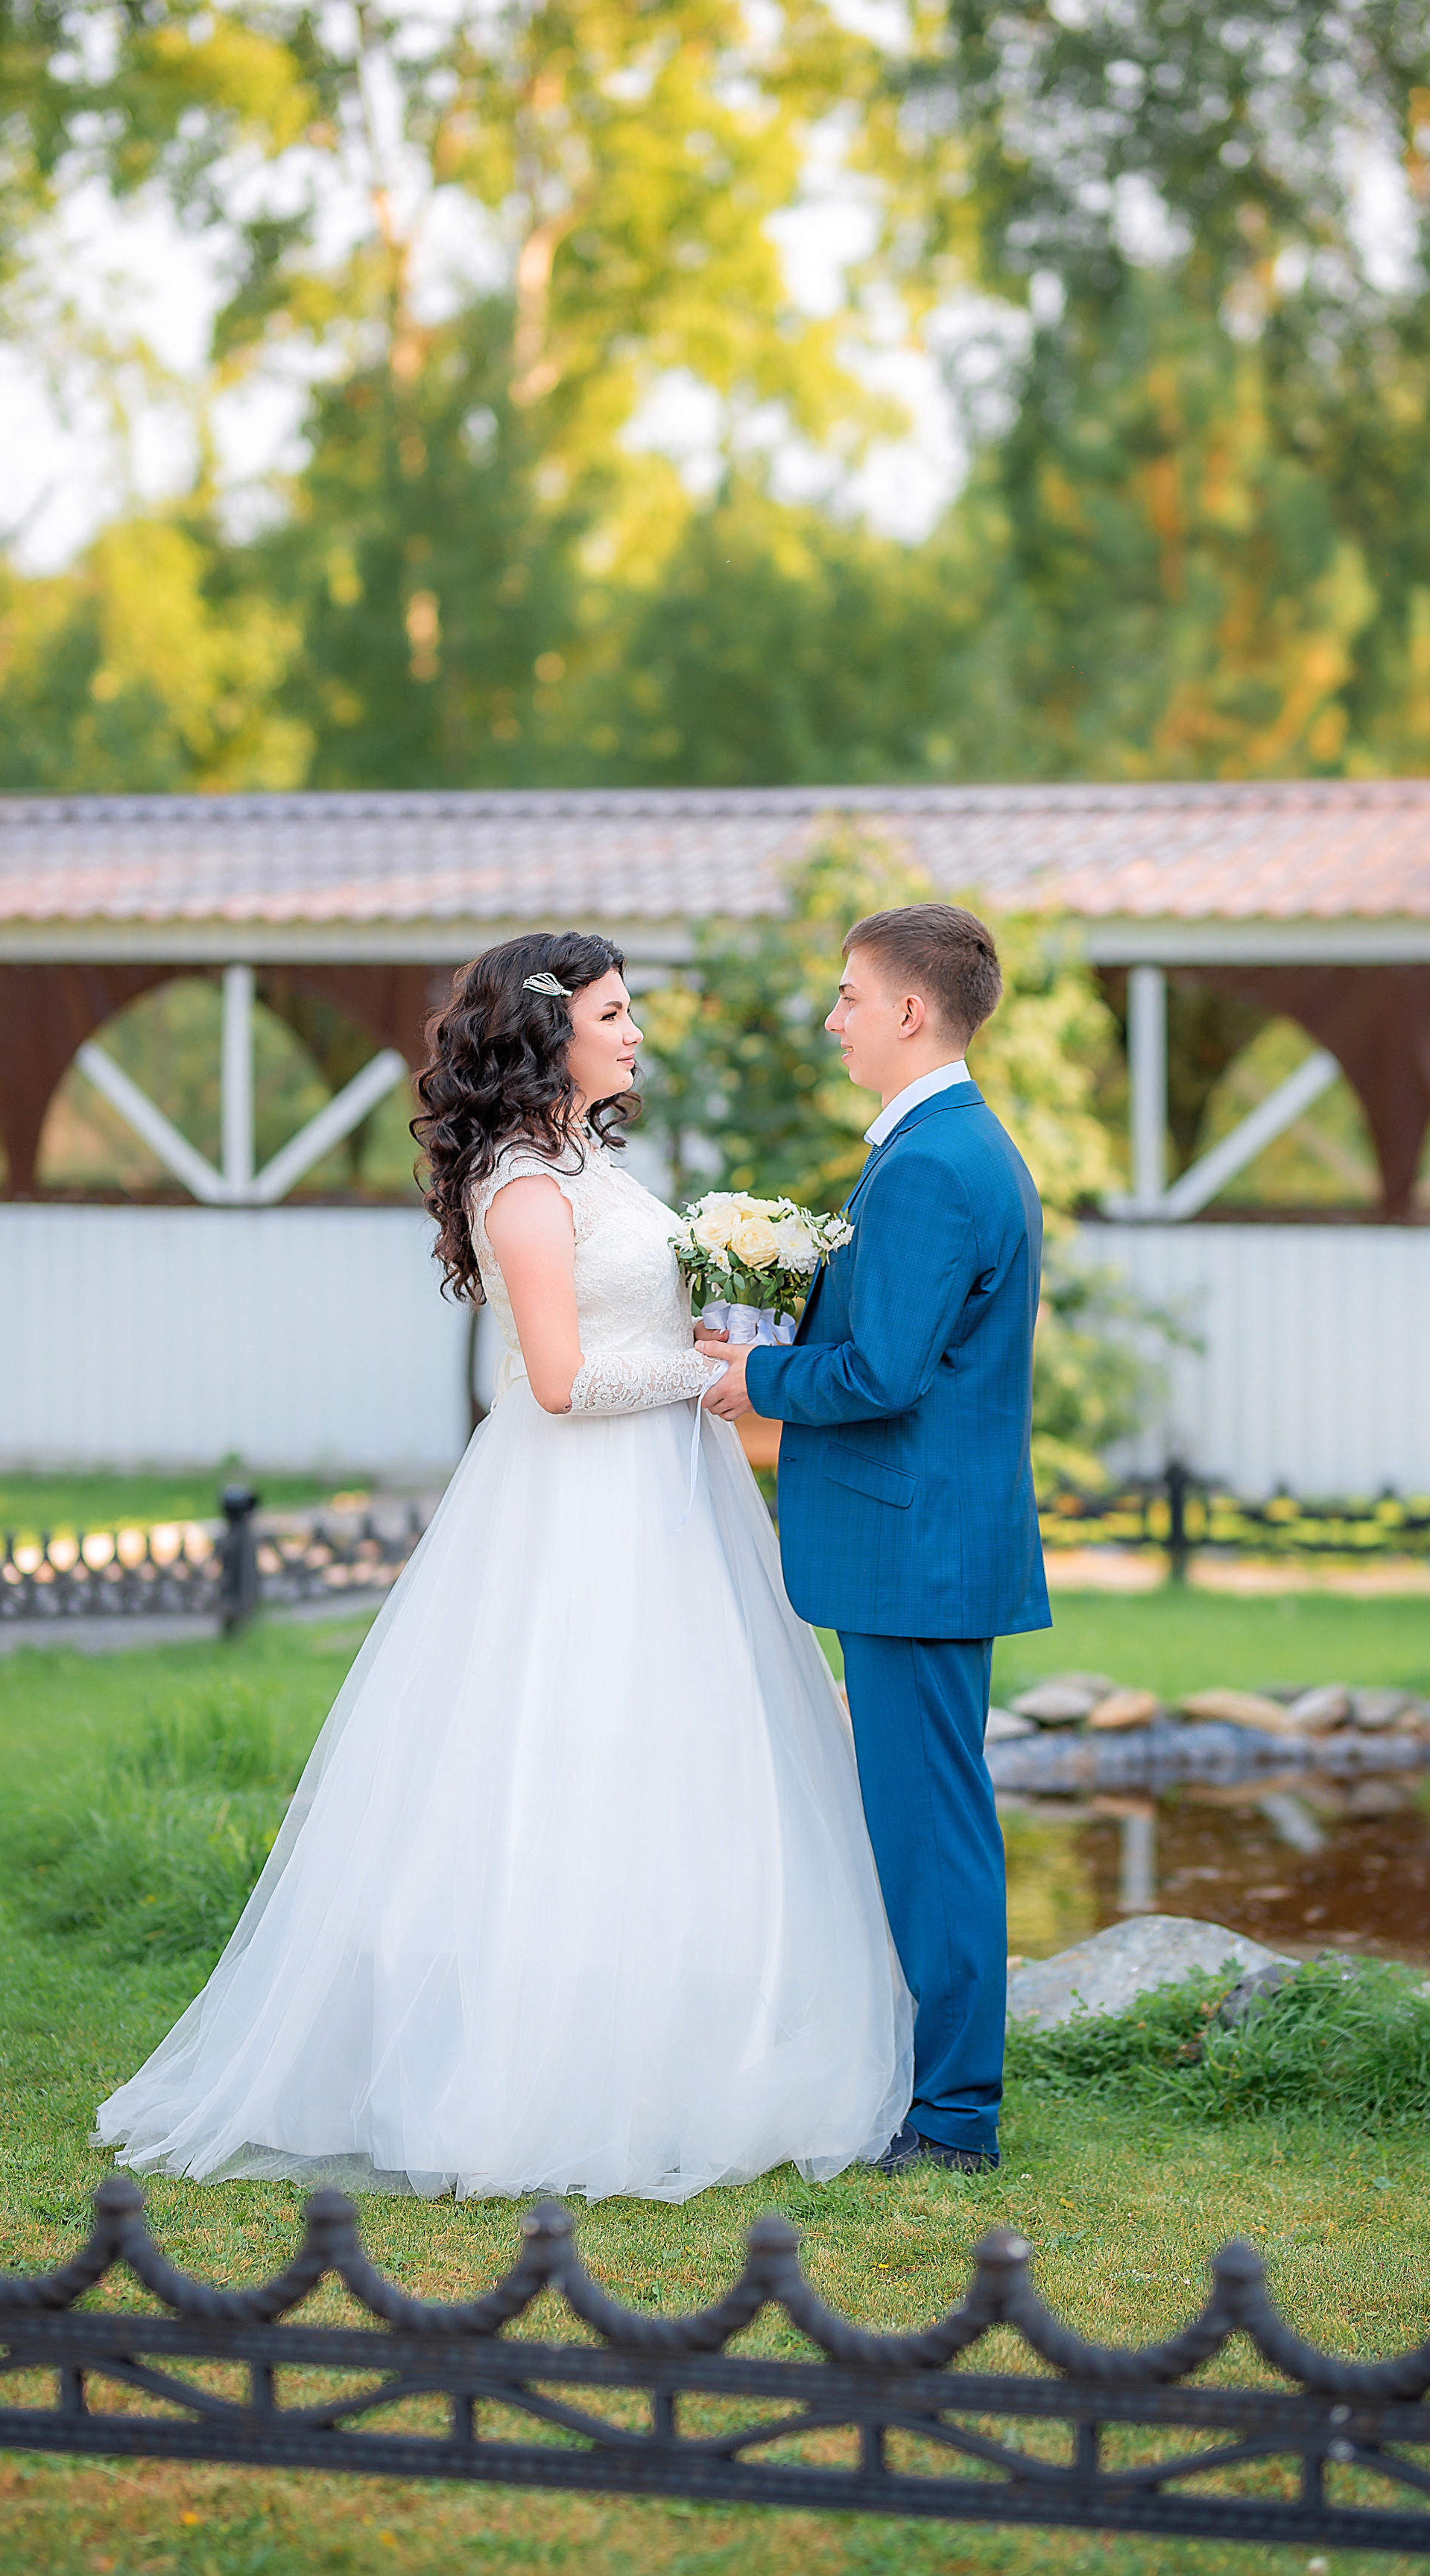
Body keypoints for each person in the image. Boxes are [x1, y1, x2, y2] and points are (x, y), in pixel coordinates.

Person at [95, 931, 911, 2203]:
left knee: (687, 1759)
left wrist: (714, 1326)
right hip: (580, 1506)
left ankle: (689, 2039)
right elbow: (561, 1380)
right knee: (561, 1759)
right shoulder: (526, 1185)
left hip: (674, 1498)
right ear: (549, 1032)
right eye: (615, 1012)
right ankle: (535, 2069)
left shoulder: (597, 1163)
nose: (635, 1033)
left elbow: (621, 1321)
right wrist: (715, 1373)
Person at [699, 903, 1049, 2175]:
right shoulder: (944, 1149)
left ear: (912, 1011)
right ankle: (936, 2090)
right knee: (927, 1822)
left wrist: (758, 1377)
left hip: (919, 1554)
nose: (833, 1017)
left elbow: (885, 1374)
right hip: (929, 1544)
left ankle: (954, 2120)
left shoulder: (933, 1167)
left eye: (850, 995)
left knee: (930, 1834)